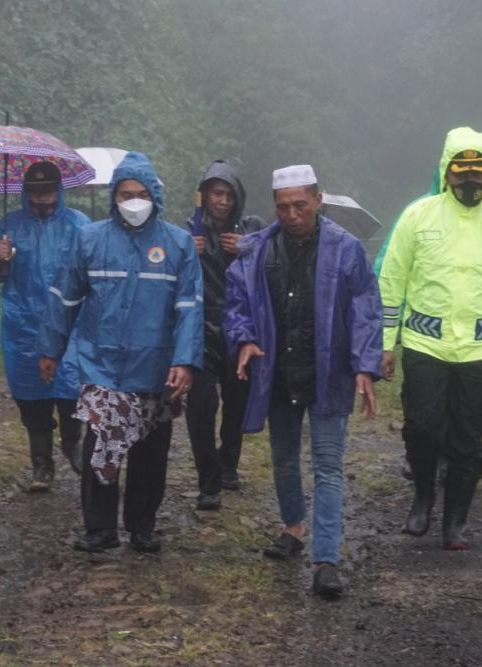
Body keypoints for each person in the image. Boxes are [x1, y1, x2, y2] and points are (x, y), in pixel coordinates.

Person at [378, 127, 482, 551]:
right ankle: (422, 498)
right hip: (423, 345)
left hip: (480, 351)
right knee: (421, 428)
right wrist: (382, 344)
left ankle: (456, 522)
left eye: (478, 172)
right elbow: (391, 281)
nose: (470, 181)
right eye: (460, 172)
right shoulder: (419, 216)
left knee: (468, 439)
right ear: (445, 172)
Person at [225, 164, 382, 599]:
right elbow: (236, 302)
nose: (292, 214)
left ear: (317, 199)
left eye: (300, 204)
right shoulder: (257, 251)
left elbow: (365, 309)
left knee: (328, 467)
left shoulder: (346, 250)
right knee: (284, 458)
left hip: (327, 375)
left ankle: (326, 559)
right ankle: (293, 528)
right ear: (274, 207)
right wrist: (244, 341)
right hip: (278, 375)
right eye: (283, 207)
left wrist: (365, 366)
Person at [38, 151, 203, 553]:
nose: (133, 201)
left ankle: (142, 526)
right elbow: (65, 298)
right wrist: (50, 349)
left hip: (156, 367)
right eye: (125, 193)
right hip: (103, 365)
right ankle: (99, 528)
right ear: (114, 196)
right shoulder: (90, 240)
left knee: (150, 451)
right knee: (102, 448)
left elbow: (190, 309)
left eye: (141, 193)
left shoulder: (178, 245)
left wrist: (184, 361)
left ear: (156, 197)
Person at [0, 161, 90, 491]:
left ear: (59, 190)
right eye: (36, 192)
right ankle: (41, 463)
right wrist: (0, 258)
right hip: (22, 325)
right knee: (30, 396)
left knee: (71, 389)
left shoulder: (78, 225)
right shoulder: (9, 226)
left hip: (70, 322)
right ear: (26, 192)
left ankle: (72, 442)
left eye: (48, 191)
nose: (42, 199)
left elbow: (96, 267)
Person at [182, 160, 265, 510]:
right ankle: (208, 480)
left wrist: (248, 248)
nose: (223, 201)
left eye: (230, 195)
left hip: (239, 327)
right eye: (217, 193)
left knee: (236, 402)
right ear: (204, 195)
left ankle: (229, 463)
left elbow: (275, 259)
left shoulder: (251, 229)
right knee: (201, 406)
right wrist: (186, 252)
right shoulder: (187, 231)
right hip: (200, 328)